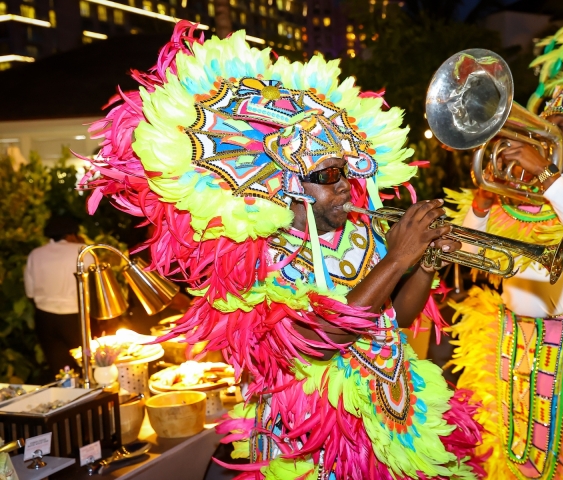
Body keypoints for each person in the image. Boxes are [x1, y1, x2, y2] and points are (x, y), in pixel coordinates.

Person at [83, 22, 485, 478]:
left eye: (347, 175)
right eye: (330, 177)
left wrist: (425, 262)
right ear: (291, 184)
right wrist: (396, 260)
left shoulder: (360, 232)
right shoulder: (252, 260)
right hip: (310, 439)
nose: (346, 189)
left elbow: (397, 319)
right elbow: (316, 342)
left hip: (390, 419)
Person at [446, 1, 563, 477]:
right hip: (514, 346)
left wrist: (552, 180)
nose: (544, 133)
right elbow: (474, 254)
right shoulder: (519, 190)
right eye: (546, 121)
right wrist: (480, 206)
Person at [24, 215, 90, 379]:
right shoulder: (83, 251)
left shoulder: (35, 254)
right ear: (71, 234)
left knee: (61, 371)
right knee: (87, 366)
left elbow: (30, 292)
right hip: (76, 317)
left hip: (46, 319)